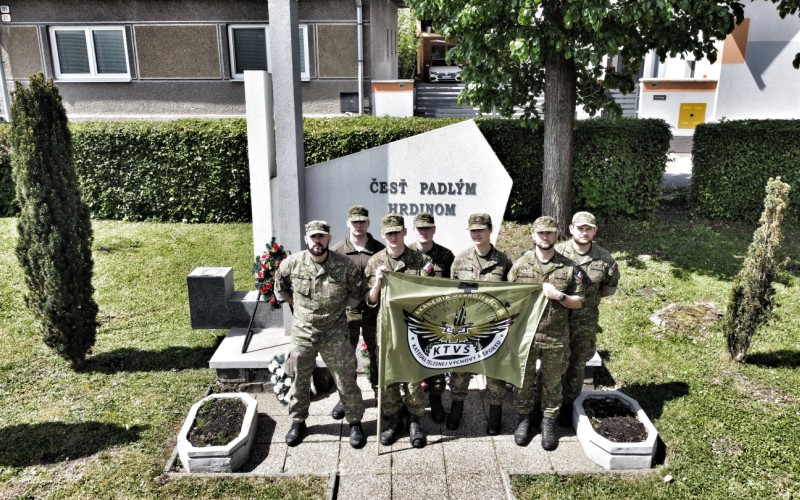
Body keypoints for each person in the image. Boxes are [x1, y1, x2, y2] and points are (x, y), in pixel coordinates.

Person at [274, 220, 367, 449]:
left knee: (345, 378)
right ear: (306, 239)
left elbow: (356, 295)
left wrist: (338, 310)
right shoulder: (292, 264)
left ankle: (355, 422)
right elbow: (280, 288)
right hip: (303, 332)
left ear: (328, 238)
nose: (318, 241)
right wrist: (298, 307)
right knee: (299, 379)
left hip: (334, 333)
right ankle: (298, 422)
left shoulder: (344, 265)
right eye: (313, 237)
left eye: (322, 236)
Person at [509, 216, 584, 450]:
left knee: (553, 383)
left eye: (549, 233)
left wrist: (559, 296)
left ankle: (548, 422)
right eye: (541, 233)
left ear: (556, 235)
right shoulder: (520, 265)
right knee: (523, 381)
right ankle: (523, 419)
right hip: (526, 336)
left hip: (555, 336)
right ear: (533, 236)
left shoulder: (569, 267)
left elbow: (578, 302)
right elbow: (509, 299)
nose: (545, 237)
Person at [364, 213, 433, 448]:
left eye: (397, 232)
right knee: (388, 376)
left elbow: (430, 293)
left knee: (413, 377)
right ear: (383, 235)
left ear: (404, 232)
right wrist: (377, 282)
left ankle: (415, 420)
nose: (393, 237)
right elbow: (370, 300)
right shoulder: (375, 262)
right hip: (386, 327)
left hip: (413, 328)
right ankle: (394, 418)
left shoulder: (421, 260)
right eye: (389, 234)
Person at [448, 213, 512, 434]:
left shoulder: (503, 260)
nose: (476, 234)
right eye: (473, 230)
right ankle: (456, 407)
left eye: (481, 230)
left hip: (493, 326)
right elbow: (452, 292)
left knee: (494, 371)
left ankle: (495, 412)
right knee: (460, 369)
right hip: (465, 324)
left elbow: (511, 293)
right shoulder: (460, 260)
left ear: (490, 230)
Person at [555, 211, 619, 426]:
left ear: (595, 231)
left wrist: (585, 302)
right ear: (571, 229)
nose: (584, 232)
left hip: (585, 321)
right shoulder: (557, 253)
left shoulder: (605, 259)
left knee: (577, 364)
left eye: (588, 229)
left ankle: (567, 406)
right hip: (556, 319)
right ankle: (544, 404)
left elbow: (608, 289)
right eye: (580, 228)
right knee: (553, 362)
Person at [330, 205, 385, 420]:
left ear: (368, 223)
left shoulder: (380, 250)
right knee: (346, 356)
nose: (358, 225)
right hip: (347, 312)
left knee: (377, 353)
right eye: (355, 221)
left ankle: (380, 394)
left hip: (374, 311)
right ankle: (346, 397)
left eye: (362, 221)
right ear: (348, 223)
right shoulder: (337, 251)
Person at [407, 212, 455, 424]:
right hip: (411, 318)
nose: (424, 232)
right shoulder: (405, 254)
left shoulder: (446, 255)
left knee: (436, 360)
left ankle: (436, 400)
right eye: (420, 228)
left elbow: (454, 287)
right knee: (413, 360)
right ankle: (412, 401)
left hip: (437, 319)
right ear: (414, 230)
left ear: (434, 229)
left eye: (428, 228)